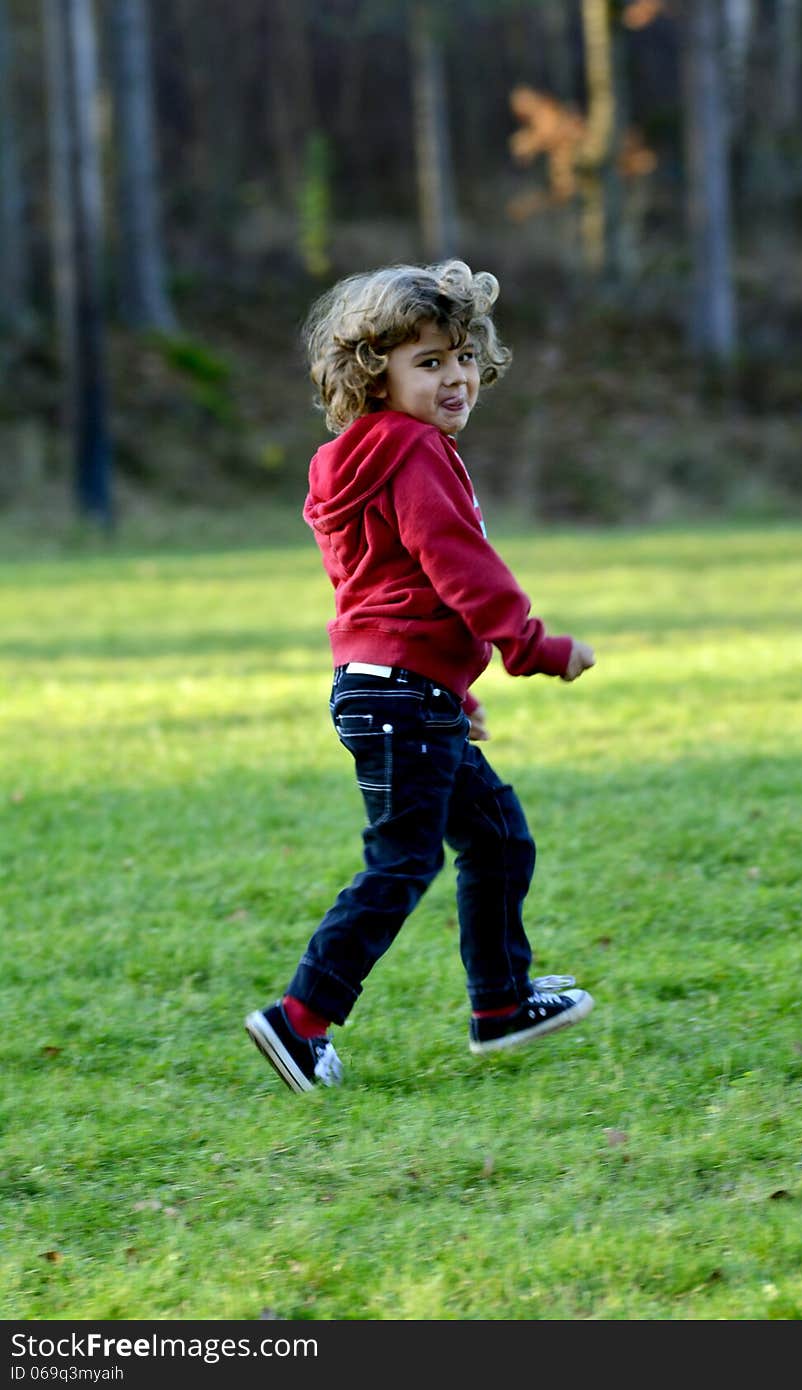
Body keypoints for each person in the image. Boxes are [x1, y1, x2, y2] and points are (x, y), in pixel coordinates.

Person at [246, 258, 596, 1094]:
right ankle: (300, 1021)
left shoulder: (356, 457)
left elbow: (386, 592)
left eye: (464, 357)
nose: (456, 378)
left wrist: (453, 687)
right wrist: (530, 645)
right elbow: (458, 566)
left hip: (390, 688)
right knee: (403, 862)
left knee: (497, 834)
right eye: (428, 362)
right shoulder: (414, 452)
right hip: (401, 696)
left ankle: (501, 1005)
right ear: (375, 373)